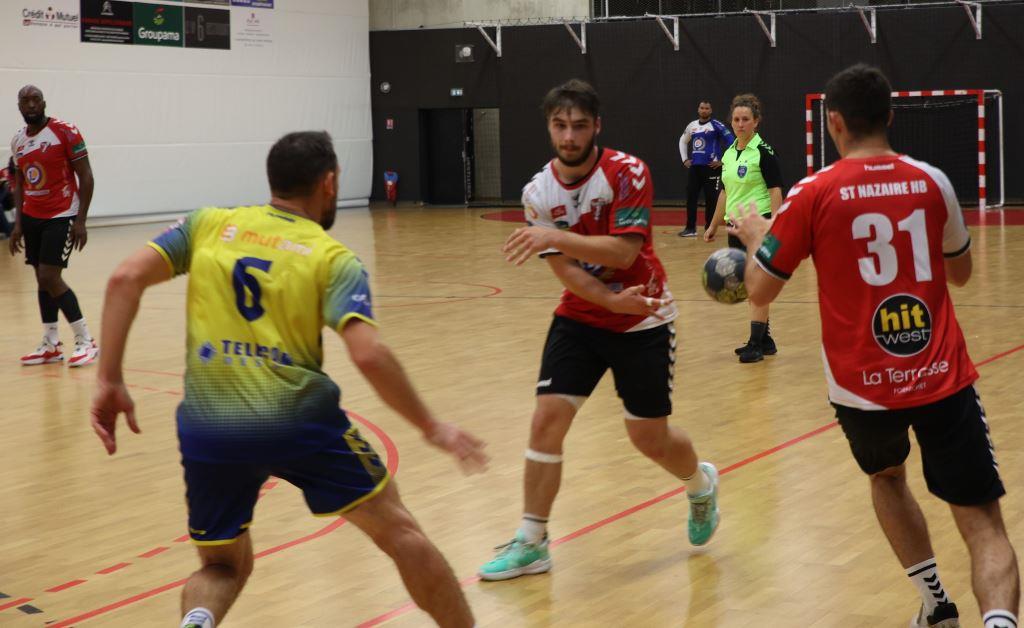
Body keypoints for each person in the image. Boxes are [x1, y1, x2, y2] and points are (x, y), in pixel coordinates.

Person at [90, 131, 489, 628]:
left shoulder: (208, 224)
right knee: (399, 531)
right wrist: (431, 426)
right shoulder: (333, 257)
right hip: (300, 422)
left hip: (211, 425)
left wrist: (109, 378)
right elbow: (368, 354)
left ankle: (196, 621)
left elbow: (124, 278)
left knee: (221, 566)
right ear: (329, 182)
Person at [730, 64, 1019, 628]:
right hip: (939, 376)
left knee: (887, 477)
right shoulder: (931, 181)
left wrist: (761, 239)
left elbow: (759, 290)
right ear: (889, 115)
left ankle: (936, 605)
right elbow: (961, 274)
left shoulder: (813, 193)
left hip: (862, 388)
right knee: (983, 522)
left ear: (834, 122)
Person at [478, 79, 720, 582]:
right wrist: (608, 299)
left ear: (597, 127)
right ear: (549, 127)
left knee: (648, 438)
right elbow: (565, 270)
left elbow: (624, 252)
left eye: (579, 125)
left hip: (644, 316)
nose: (569, 136)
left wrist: (552, 236)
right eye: (560, 125)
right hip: (582, 316)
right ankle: (532, 541)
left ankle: (700, 485)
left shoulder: (628, 172)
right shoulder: (537, 193)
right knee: (546, 420)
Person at [9, 85, 99, 367]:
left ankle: (86, 340)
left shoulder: (65, 131)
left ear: (44, 103)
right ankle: (51, 344)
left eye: (35, 99)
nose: (31, 105)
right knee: (41, 278)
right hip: (32, 216)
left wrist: (81, 220)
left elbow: (86, 175)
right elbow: (20, 182)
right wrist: (18, 224)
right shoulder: (18, 141)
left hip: (62, 213)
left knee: (50, 276)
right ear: (19, 106)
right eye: (25, 101)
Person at [704, 93, 784, 363]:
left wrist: (774, 225)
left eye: (745, 119)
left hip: (758, 227)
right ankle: (766, 339)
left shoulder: (764, 152)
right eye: (736, 119)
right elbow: (725, 192)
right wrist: (713, 224)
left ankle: (755, 344)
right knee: (749, 285)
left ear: (756, 121)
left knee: (757, 285)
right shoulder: (728, 154)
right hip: (735, 228)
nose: (740, 124)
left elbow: (775, 191)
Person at [678, 100, 734, 237]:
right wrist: (685, 159)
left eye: (707, 108)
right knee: (691, 197)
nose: (704, 110)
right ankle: (690, 229)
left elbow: (732, 141)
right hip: (695, 168)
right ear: (698, 109)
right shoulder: (692, 125)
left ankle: (709, 228)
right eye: (702, 108)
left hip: (711, 168)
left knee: (712, 199)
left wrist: (723, 161)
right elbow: (682, 141)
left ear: (711, 110)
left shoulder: (717, 125)